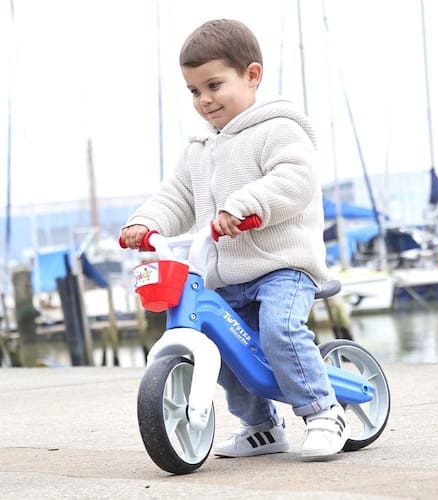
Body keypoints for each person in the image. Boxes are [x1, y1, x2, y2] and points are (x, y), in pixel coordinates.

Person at [120, 18, 350, 461]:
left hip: (282, 266)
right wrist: (145, 223)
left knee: (279, 332)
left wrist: (243, 206)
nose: (204, 100)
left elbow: (295, 180)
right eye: (194, 91)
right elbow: (177, 196)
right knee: (223, 346)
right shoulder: (200, 148)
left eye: (214, 85)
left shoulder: (279, 130)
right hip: (227, 276)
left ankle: (323, 411)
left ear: (251, 75)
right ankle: (261, 426)